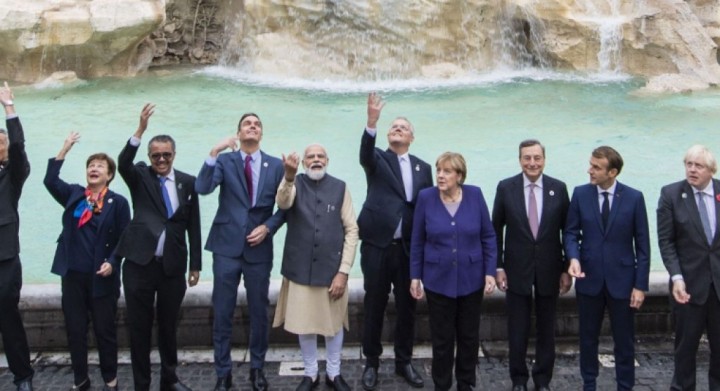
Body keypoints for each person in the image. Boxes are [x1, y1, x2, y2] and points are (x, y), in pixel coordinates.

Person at [195, 112, 285, 391]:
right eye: (247, 124)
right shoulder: (225, 160)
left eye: (257, 124)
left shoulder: (278, 166)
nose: (253, 127)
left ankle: (257, 368)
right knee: (222, 311)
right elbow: (202, 188)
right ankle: (223, 372)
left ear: (262, 133)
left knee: (259, 311)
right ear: (238, 132)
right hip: (226, 247)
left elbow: (285, 207)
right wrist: (214, 151)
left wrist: (268, 227)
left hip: (259, 249)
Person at [115, 104, 202, 391]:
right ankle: (142, 383)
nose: (161, 159)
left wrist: (196, 265)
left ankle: (170, 379)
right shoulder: (140, 176)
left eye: (166, 155)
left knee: (168, 327)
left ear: (174, 155)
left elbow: (194, 225)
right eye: (156, 155)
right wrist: (140, 130)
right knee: (138, 329)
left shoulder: (188, 182)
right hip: (139, 265)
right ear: (149, 157)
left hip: (172, 266)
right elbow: (123, 162)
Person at [43, 132, 130, 391]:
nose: (94, 168)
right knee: (75, 331)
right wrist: (64, 148)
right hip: (72, 276)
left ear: (109, 175)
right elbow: (49, 180)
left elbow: (125, 239)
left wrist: (113, 262)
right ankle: (80, 380)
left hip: (102, 278)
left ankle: (110, 380)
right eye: (91, 165)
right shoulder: (73, 194)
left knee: (105, 332)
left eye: (100, 166)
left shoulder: (119, 203)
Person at [358, 92, 433, 390]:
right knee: (373, 306)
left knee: (407, 308)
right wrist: (372, 122)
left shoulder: (423, 167)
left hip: (408, 250)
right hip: (377, 246)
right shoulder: (376, 159)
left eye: (403, 127)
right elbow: (364, 152)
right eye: (394, 127)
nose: (398, 129)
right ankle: (372, 363)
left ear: (412, 137)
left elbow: (427, 208)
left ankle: (404, 361)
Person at [272, 144, 359, 391]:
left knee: (333, 326)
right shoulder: (294, 183)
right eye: (310, 156)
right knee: (304, 325)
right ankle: (310, 373)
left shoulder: (341, 187)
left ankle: (334, 372)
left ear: (327, 160)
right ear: (303, 163)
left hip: (332, 270)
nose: (316, 160)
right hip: (299, 269)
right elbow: (283, 203)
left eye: (321, 156)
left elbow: (351, 229)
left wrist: (343, 271)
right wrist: (288, 176)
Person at [409, 152, 497, 391]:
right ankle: (442, 384)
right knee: (442, 340)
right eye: (439, 170)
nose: (440, 175)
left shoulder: (475, 195)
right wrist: (415, 276)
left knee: (469, 338)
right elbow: (417, 240)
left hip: (472, 278)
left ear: (459, 175)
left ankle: (466, 384)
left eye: (447, 171)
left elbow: (488, 236)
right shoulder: (426, 198)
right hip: (438, 280)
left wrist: (490, 271)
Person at [565, 146, 650, 391]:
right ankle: (588, 384)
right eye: (590, 164)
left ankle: (625, 386)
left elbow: (643, 246)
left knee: (624, 342)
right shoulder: (580, 194)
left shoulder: (634, 198)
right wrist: (573, 257)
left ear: (612, 172)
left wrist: (640, 285)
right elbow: (571, 232)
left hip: (623, 281)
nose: (589, 170)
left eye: (596, 167)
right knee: (587, 339)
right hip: (589, 278)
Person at [492, 139, 571, 391]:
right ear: (519, 160)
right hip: (516, 269)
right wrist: (498, 266)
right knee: (517, 328)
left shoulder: (558, 188)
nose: (532, 163)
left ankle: (542, 380)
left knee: (547, 329)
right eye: (527, 158)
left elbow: (567, 231)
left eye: (537, 158)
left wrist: (566, 268)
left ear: (544, 159)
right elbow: (495, 230)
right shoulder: (506, 188)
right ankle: (518, 379)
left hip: (550, 268)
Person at [657, 145, 720, 391]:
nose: (692, 170)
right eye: (689, 164)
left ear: (711, 170)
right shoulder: (671, 194)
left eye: (699, 166)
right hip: (688, 286)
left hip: (718, 286)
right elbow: (666, 241)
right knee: (685, 349)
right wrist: (677, 276)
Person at [0, 82, 34, 391]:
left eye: (2, 143)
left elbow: (19, 148)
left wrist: (9, 108)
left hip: (5, 257)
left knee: (7, 316)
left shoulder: (13, 176)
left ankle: (23, 375)